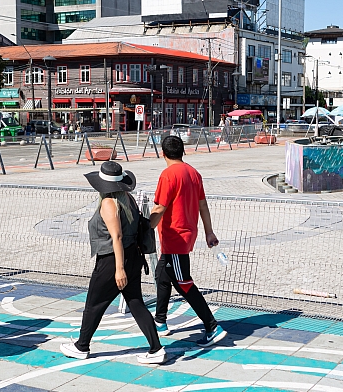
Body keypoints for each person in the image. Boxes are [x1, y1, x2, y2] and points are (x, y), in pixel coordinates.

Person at [60, 162, 166, 364]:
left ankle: (82, 346)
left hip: (112, 260)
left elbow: (116, 237)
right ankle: (156, 348)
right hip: (133, 256)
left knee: (94, 304)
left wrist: (119, 269)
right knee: (135, 303)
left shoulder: (109, 203)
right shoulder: (128, 199)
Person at [150, 136, 226, 347]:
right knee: (162, 275)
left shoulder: (168, 175)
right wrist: (209, 232)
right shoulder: (194, 173)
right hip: (187, 233)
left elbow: (159, 208)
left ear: (162, 154)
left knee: (183, 282)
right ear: (183, 151)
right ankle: (160, 321)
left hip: (175, 236)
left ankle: (212, 326)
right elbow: (203, 205)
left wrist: (145, 228)